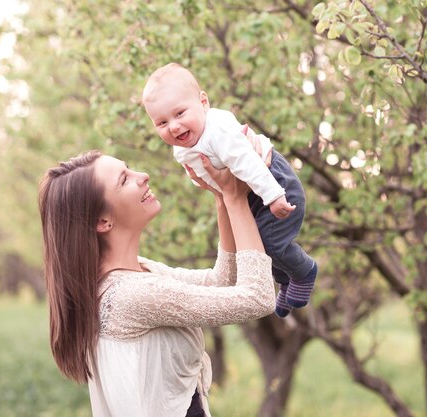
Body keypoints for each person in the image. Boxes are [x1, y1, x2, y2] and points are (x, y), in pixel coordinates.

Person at [38, 149, 275, 417]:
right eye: (124, 180)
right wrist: (236, 199)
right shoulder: (133, 294)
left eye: (129, 168)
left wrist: (222, 197)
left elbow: (220, 282)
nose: (143, 176)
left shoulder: (137, 269)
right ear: (103, 221)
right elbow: (258, 298)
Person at [142, 63, 318, 317]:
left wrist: (275, 196)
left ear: (203, 102)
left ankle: (304, 272)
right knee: (256, 246)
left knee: (269, 242)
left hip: (272, 181)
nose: (174, 127)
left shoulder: (218, 131)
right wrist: (212, 187)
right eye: (161, 122)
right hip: (251, 193)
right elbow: (204, 175)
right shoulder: (184, 144)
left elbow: (249, 164)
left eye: (180, 113)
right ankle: (287, 279)